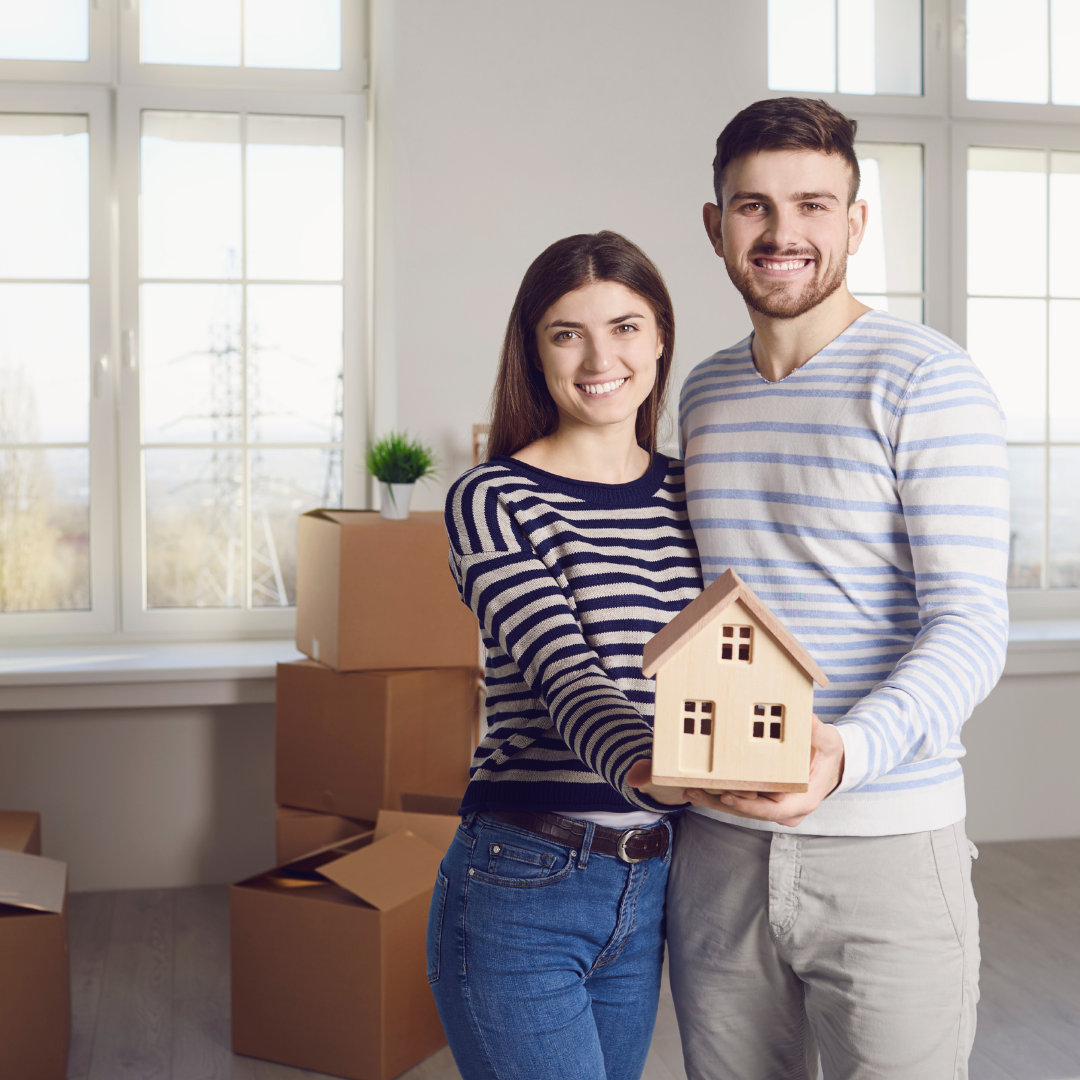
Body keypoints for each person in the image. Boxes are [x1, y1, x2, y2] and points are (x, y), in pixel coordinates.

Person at [663, 98, 1009, 1079]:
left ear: (855, 224)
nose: (783, 233)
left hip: (886, 842)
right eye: (754, 206)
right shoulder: (704, 392)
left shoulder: (927, 380)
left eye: (813, 205)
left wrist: (847, 753)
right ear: (716, 225)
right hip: (718, 850)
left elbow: (972, 623)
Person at [428, 230, 700, 1080]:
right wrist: (652, 768)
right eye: (567, 333)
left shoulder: (695, 493)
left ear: (660, 337)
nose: (599, 359)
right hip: (523, 880)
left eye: (624, 327)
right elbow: (565, 675)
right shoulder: (492, 498)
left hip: (653, 880)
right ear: (533, 349)